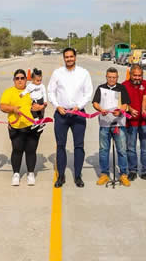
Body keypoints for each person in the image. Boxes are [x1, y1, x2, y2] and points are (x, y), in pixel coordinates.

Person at [48, 47, 93, 188]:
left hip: (78, 114)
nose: (69, 59)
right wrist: (57, 106)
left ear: (75, 57)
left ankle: (78, 176)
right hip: (61, 114)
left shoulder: (83, 73)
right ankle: (61, 176)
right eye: (66, 57)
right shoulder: (57, 73)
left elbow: (88, 93)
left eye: (71, 56)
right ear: (64, 58)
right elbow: (51, 91)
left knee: (79, 146)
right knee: (60, 145)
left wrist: (79, 106)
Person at [0, 69, 42, 186]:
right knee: (17, 150)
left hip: (32, 126)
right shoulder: (9, 92)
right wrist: (13, 109)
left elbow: (42, 104)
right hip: (16, 127)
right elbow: (2, 106)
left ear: (26, 80)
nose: (20, 80)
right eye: (17, 78)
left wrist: (40, 107)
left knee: (31, 150)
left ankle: (30, 174)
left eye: (22, 78)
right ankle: (16, 174)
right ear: (14, 80)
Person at [93, 67, 131, 187]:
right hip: (104, 123)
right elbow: (95, 103)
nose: (111, 79)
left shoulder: (122, 88)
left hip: (118, 124)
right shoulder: (100, 88)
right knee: (103, 150)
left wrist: (120, 111)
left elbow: (125, 104)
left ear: (117, 78)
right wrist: (100, 109)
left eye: (114, 77)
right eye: (109, 77)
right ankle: (104, 174)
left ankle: (123, 174)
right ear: (106, 77)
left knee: (122, 150)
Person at [122, 65, 146, 182]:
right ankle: (132, 170)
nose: (137, 77)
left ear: (142, 75)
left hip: (144, 122)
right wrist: (130, 109)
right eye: (135, 75)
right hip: (130, 122)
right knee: (131, 147)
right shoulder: (124, 85)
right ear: (130, 74)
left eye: (139, 75)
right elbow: (122, 103)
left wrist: (143, 110)